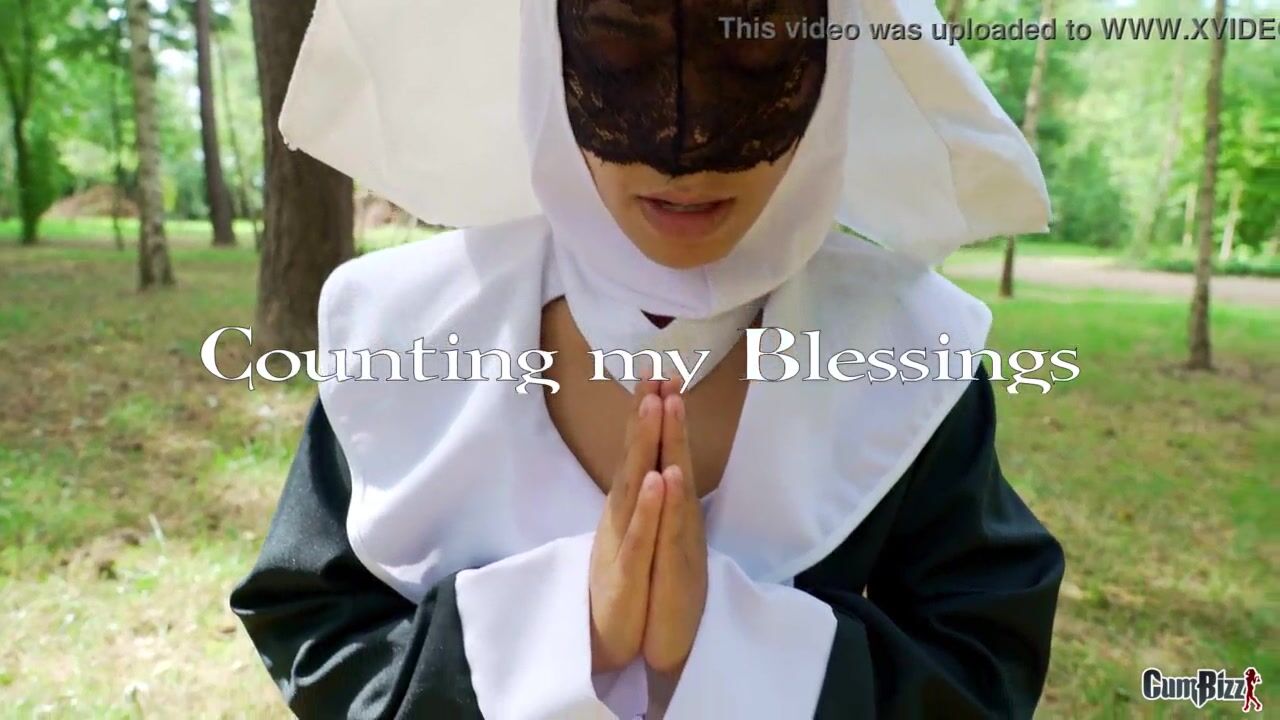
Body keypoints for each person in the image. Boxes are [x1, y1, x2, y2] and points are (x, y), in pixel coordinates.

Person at [230, 0, 1067, 718]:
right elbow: (314, 622)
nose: (684, 145)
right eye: (621, 50)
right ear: (548, 48)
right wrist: (567, 631)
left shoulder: (909, 351)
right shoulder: (404, 330)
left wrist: (721, 648)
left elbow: (980, 661)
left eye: (751, 56)